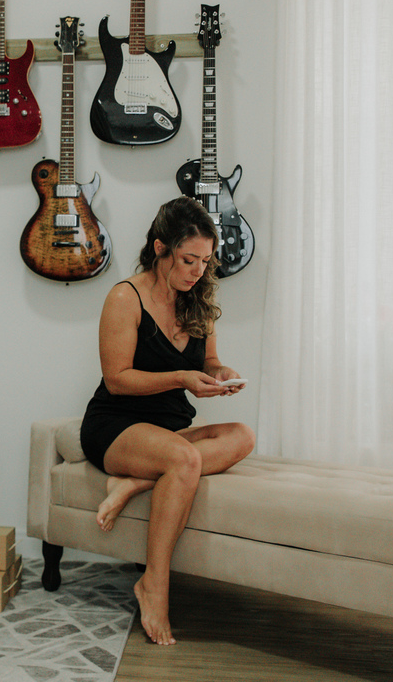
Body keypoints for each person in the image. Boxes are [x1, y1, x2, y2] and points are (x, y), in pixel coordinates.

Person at [79, 196, 256, 647]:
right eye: (188, 259)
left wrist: (222, 375)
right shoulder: (125, 296)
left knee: (242, 436)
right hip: (117, 425)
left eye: (206, 261)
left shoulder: (199, 300)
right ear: (160, 248)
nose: (198, 270)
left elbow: (210, 360)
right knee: (182, 458)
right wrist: (180, 377)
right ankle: (153, 586)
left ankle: (136, 483)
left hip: (169, 430)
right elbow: (117, 380)